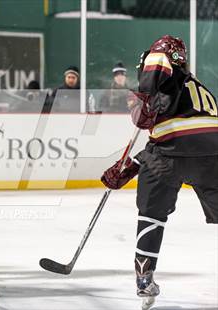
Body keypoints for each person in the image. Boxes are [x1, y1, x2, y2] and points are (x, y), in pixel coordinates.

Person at [101, 35, 218, 310]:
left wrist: (144, 94)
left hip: (170, 154)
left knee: (152, 212)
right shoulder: (199, 88)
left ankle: (144, 275)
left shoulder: (162, 67)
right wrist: (132, 166)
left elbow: (170, 144)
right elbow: (179, 138)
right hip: (212, 155)